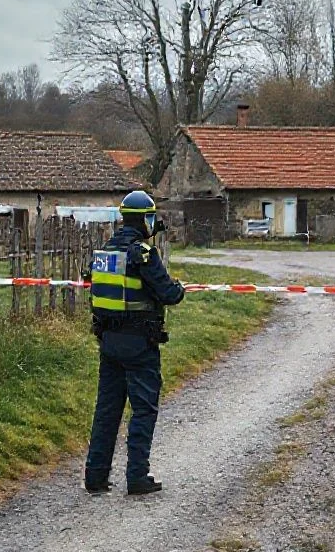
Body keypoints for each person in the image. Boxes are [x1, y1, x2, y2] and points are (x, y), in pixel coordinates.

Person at [84, 190, 184, 496]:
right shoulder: (142, 253)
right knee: (143, 409)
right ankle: (137, 477)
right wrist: (178, 286)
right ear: (144, 219)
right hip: (139, 344)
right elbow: (170, 294)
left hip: (109, 342)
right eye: (151, 218)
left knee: (107, 410)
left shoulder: (106, 252)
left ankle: (95, 477)